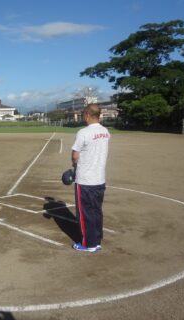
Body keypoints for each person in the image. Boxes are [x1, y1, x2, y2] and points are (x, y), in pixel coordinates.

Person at [71, 104, 110, 253]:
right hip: (99, 179)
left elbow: (75, 155)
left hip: (85, 180)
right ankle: (97, 239)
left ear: (87, 115)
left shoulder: (83, 132)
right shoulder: (105, 131)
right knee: (96, 211)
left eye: (83, 114)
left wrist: (73, 165)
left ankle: (89, 244)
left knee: (85, 213)